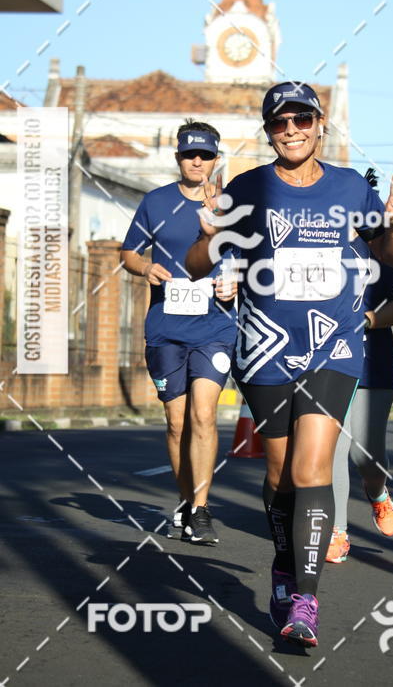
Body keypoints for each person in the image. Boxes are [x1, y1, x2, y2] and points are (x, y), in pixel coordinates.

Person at [186, 81, 393, 647]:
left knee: (313, 471)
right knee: (279, 477)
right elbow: (197, 266)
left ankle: (305, 601)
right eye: (280, 123)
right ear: (269, 132)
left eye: (301, 120)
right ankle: (284, 572)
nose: (291, 130)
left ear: (319, 126)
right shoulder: (247, 187)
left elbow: (390, 256)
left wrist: (392, 224)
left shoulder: (346, 186)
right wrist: (209, 230)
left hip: (334, 345)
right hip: (263, 348)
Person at [120, 119, 237, 546]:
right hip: (166, 327)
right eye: (190, 154)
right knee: (176, 422)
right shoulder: (155, 201)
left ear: (215, 158)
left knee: (204, 414)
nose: (197, 161)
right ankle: (186, 502)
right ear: (178, 158)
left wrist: (235, 280)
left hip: (215, 324)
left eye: (205, 154)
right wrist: (145, 266)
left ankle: (202, 510)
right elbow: (129, 252)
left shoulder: (230, 205)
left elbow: (250, 255)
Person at [327, 246, 393, 565]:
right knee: (333, 446)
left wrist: (365, 319)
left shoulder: (385, 250)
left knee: (365, 456)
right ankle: (337, 531)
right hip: (327, 363)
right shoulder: (316, 240)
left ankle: (378, 493)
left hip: (372, 366)